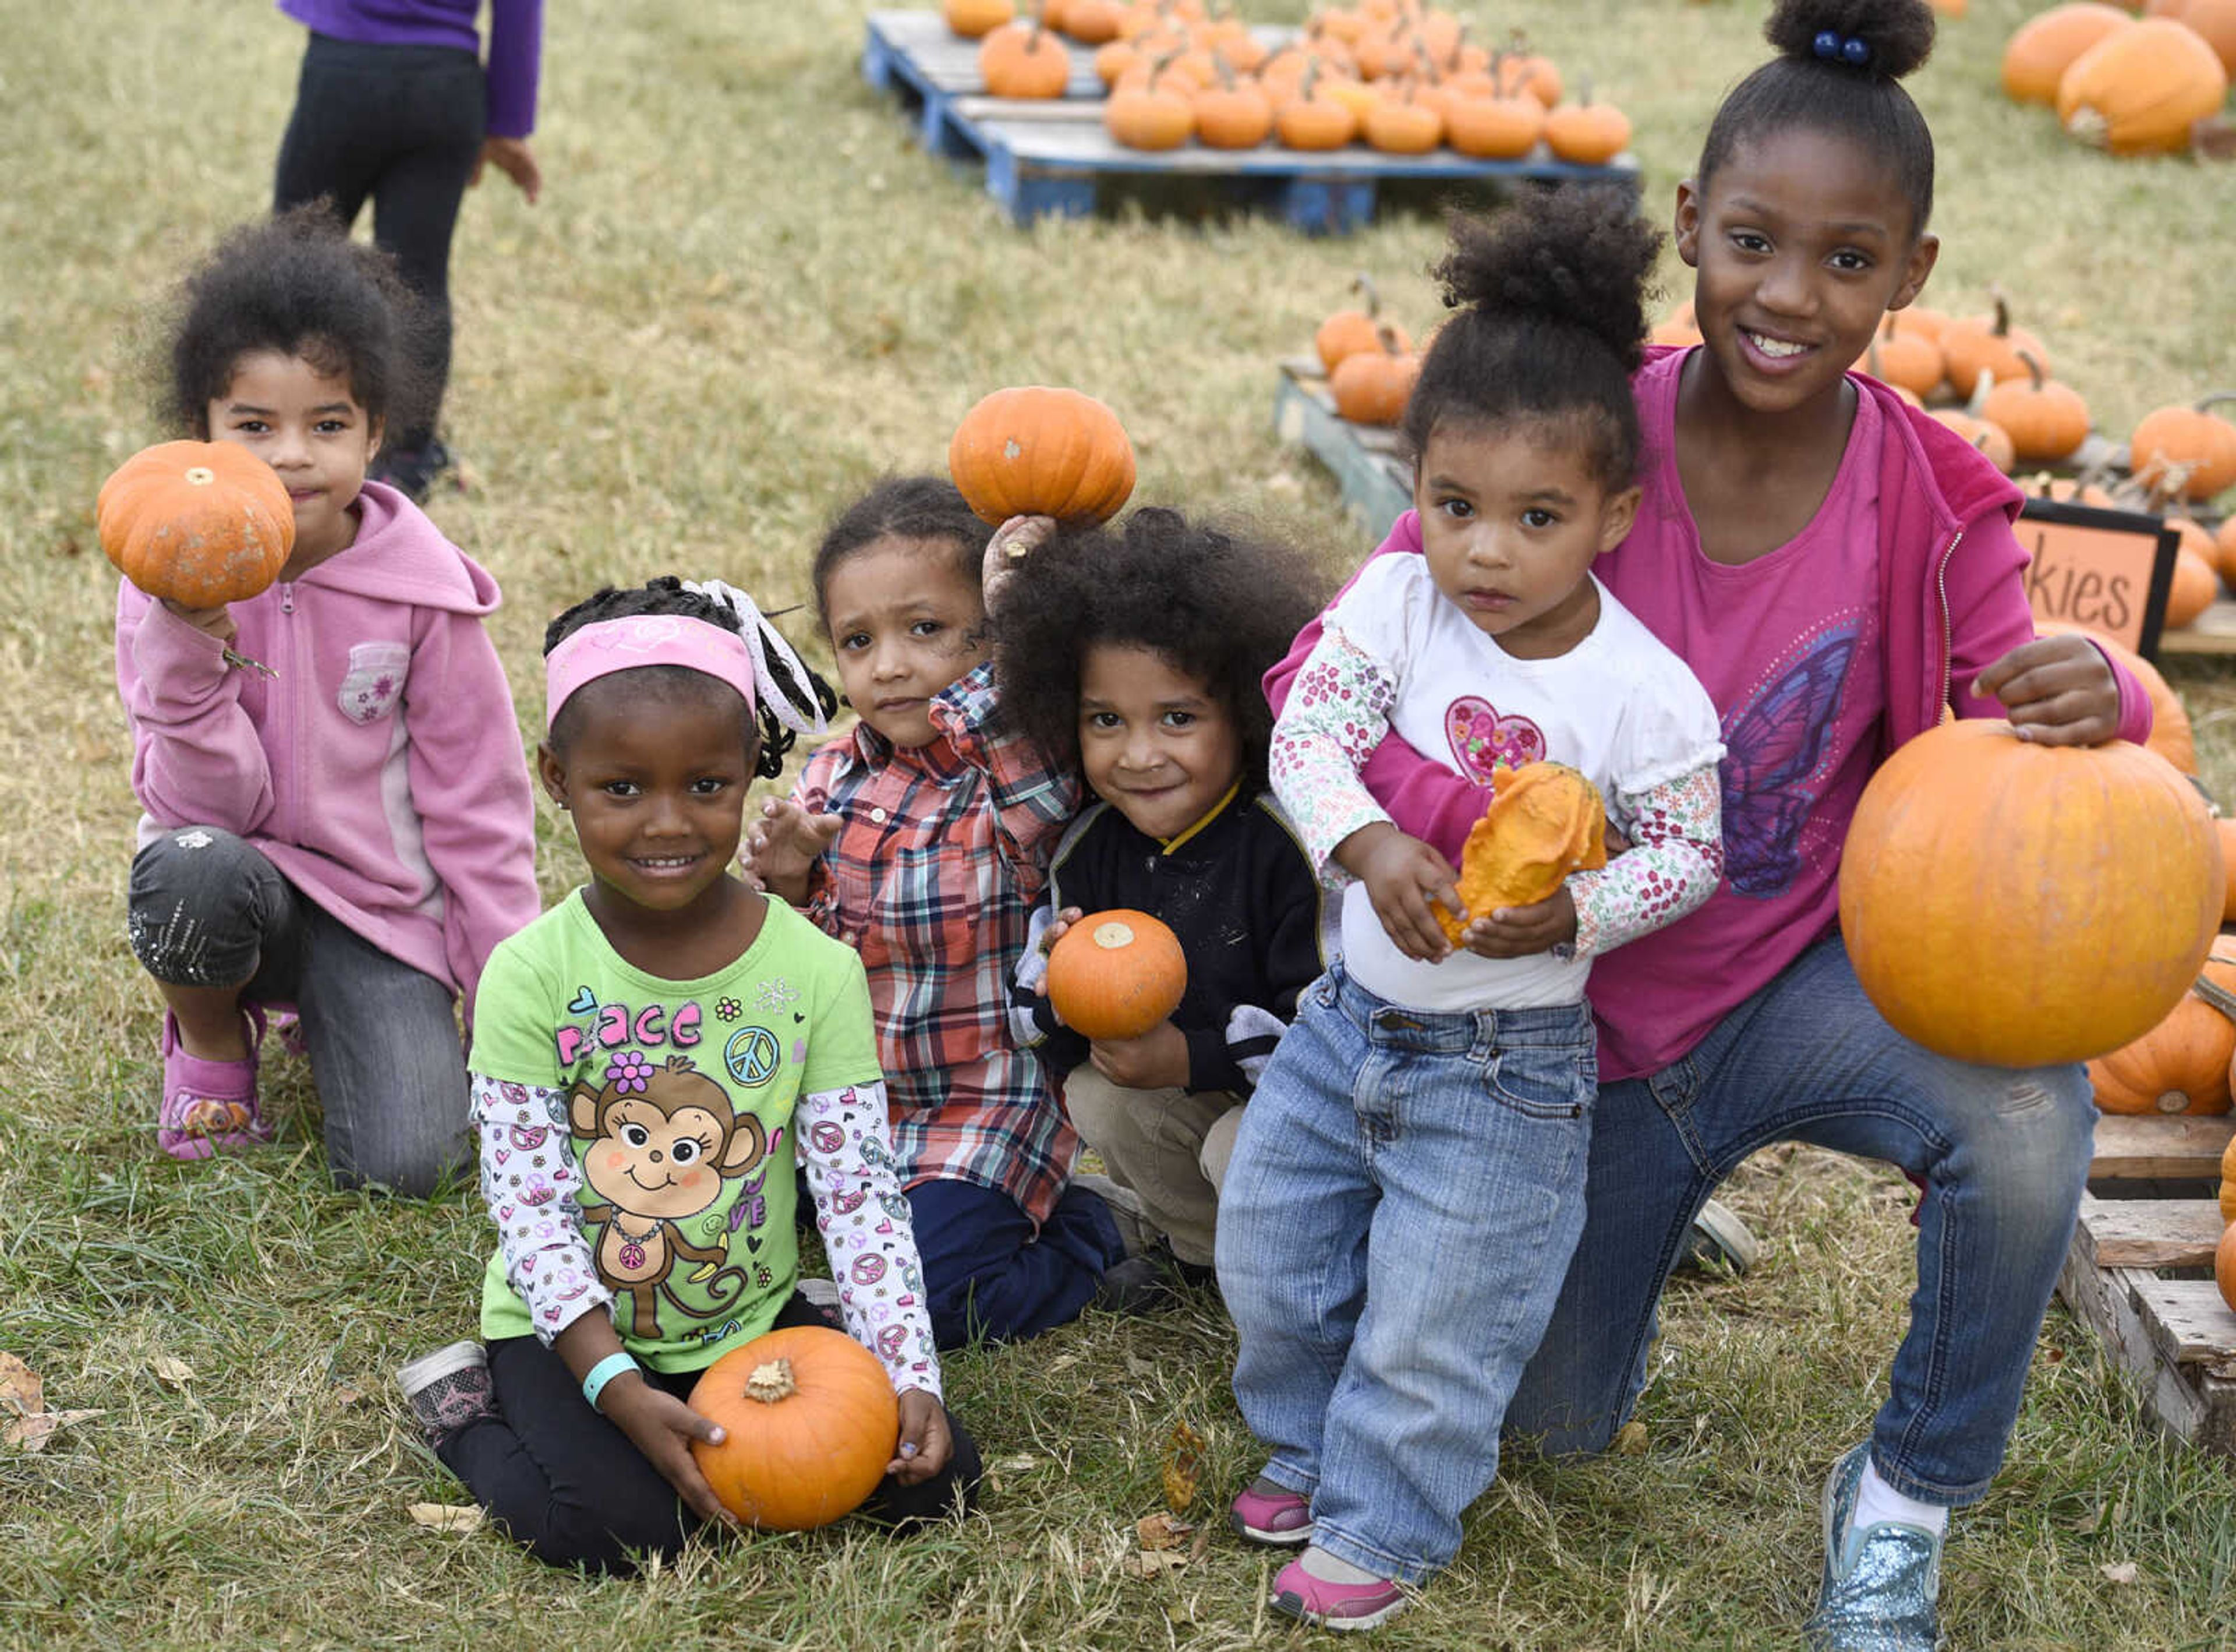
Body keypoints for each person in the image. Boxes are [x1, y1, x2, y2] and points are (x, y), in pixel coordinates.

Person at [1265, 3, 2154, 1644]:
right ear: (1689, 226)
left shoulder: (1938, 492)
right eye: (1752, 242)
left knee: (2030, 1114)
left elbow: (2024, 704)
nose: (1788, 295)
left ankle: (1904, 1498)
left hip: (1793, 987)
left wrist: (2107, 699)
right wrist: (1391, 837)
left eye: (1845, 259)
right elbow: (1346, 658)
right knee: (1546, 1429)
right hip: (1544, 1038)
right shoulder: (1571, 438)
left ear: (1910, 272)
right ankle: (1626, 1227)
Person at [1222, 187, 1729, 1633]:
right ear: (1412, 489)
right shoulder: (1394, 607)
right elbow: (1306, 738)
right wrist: (1369, 841)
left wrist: (1576, 914)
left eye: (1534, 517)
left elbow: (1687, 852)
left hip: (1507, 1071)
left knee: (1442, 1310)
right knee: (1273, 1245)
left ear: (1610, 517)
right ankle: (1303, 1441)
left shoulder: (1639, 693)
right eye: (1454, 509)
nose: (1486, 552)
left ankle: (1385, 1514)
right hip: (1344, 1024)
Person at [395, 576, 980, 1573]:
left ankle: (820, 1322)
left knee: (940, 1479)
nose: (667, 822)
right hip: (569, 1328)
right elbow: (529, 1207)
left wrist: (906, 1369)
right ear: (557, 778)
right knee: (624, 1533)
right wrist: (616, 1385)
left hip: (743, 1317)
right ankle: (462, 1412)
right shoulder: (529, 974)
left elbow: (857, 1193)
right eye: (622, 788)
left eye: (705, 786)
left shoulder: (814, 970)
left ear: (751, 772)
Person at [117, 207, 539, 1193]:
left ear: (378, 432)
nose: (293, 455)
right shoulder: (165, 577)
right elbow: (201, 806)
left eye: (329, 424)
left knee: (410, 1167)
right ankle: (213, 1045)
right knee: (187, 870)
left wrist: (506, 1007)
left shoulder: (422, 592)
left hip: (377, 911)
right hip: (235, 872)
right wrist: (189, 632)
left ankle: (343, 1013)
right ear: (204, 437)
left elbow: (478, 809)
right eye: (255, 426)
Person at [742, 478, 1128, 1347]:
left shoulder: (1023, 768)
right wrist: (795, 887)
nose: (889, 665)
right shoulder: (832, 776)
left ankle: (1087, 1238)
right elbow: (812, 974)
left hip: (981, 1107)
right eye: (857, 639)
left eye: (927, 629)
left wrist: (1022, 603)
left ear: (996, 634)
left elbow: (1009, 753)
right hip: (851, 1108)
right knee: (717, 1210)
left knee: (929, 1300)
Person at [992, 507, 1331, 1312]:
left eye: (1177, 718)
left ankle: (1309, 1282)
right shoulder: (1091, 849)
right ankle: (1210, 1258)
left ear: (1244, 717)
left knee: (1232, 1144)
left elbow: (1333, 1041)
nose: (1139, 755)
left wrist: (1193, 1059)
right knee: (1106, 1097)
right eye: (1106, 720)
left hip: (1320, 1116)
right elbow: (1034, 1020)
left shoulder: (1291, 849)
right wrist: (1063, 987)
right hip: (1212, 1091)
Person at [271, 0, 546, 501]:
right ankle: (410, 456)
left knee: (292, 260)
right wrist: (509, 123)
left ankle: (265, 424)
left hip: (344, 71)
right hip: (443, 87)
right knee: (417, 280)